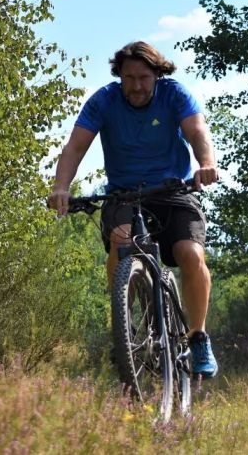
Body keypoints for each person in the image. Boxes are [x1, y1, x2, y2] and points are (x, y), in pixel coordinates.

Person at [47, 41, 219, 377]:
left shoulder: (174, 94)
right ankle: (123, 328)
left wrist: (206, 164)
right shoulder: (104, 100)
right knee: (121, 240)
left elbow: (197, 131)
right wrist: (61, 187)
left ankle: (197, 336)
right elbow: (75, 147)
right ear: (119, 76)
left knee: (191, 254)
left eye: (143, 77)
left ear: (157, 75)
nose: (136, 85)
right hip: (124, 194)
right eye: (129, 78)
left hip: (174, 190)